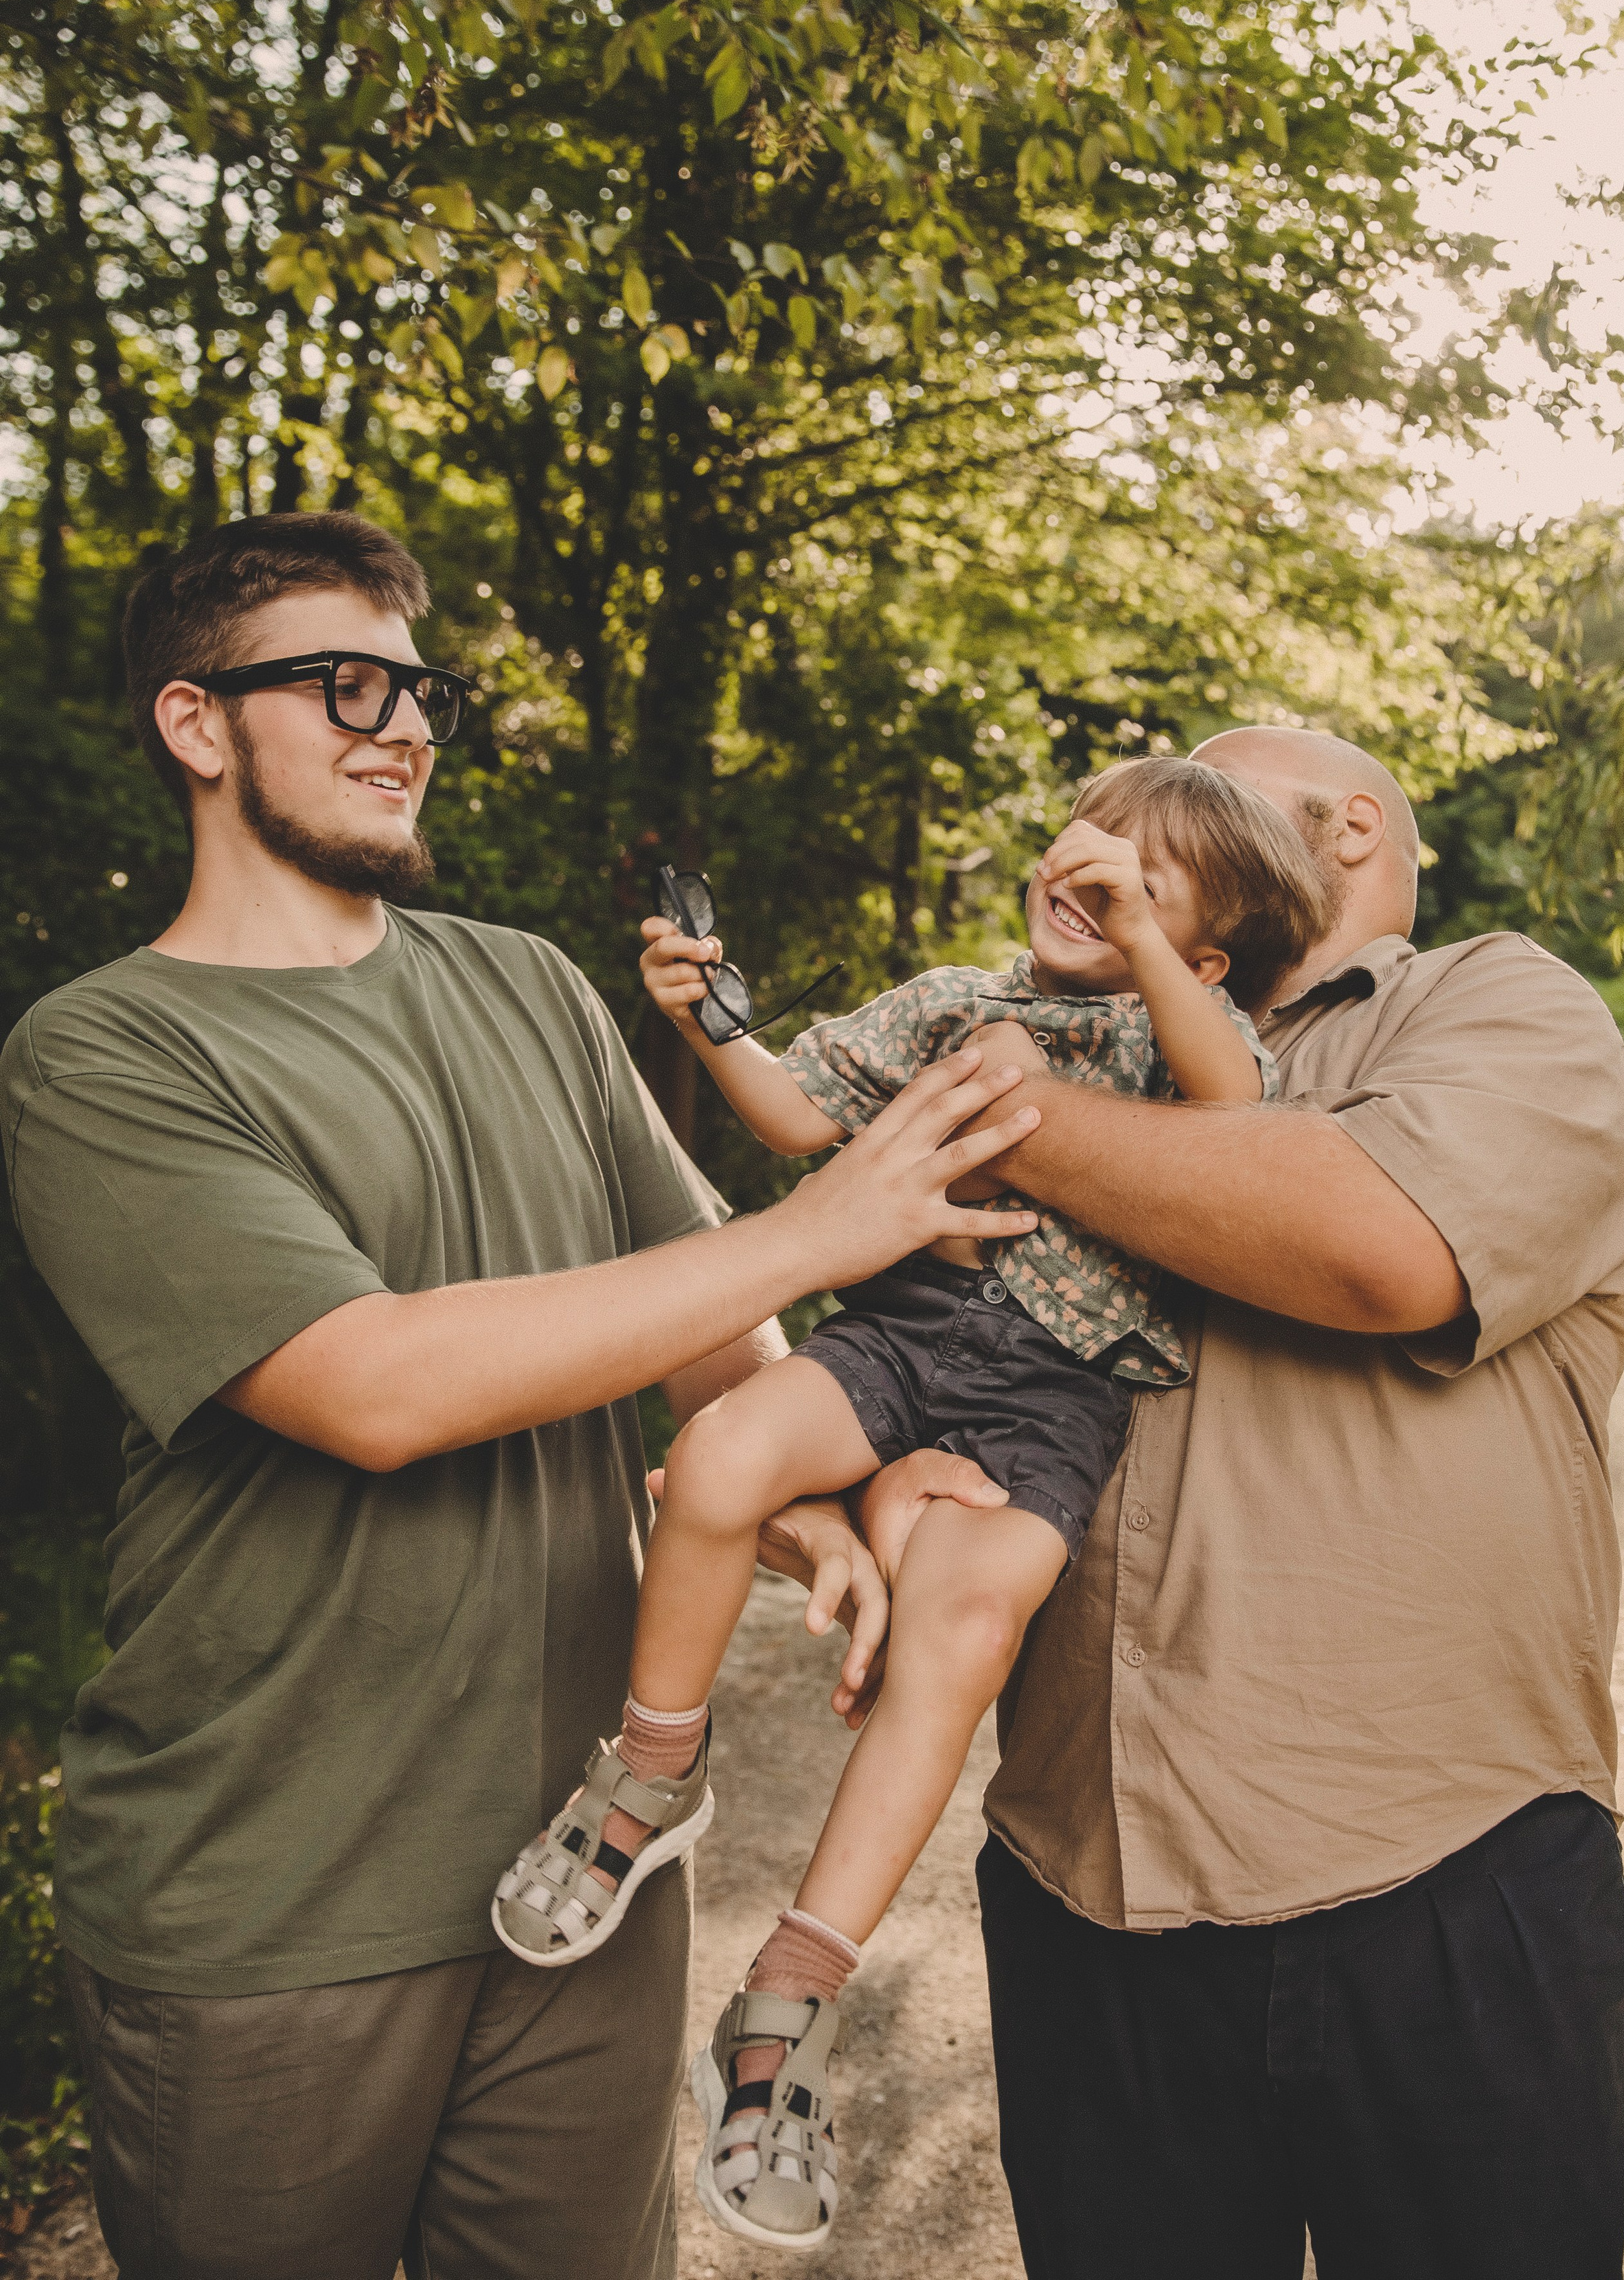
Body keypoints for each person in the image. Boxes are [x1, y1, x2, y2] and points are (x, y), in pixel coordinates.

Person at [0, 511, 1042, 2280]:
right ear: (196, 724)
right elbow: (372, 1388)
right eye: (344, 686)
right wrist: (824, 1226)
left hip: (586, 1882)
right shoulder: (106, 1051)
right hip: (270, 1904)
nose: (404, 726)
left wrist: (814, 1503)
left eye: (420, 693)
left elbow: (711, 1331)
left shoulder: (531, 987)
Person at [490, 755, 1331, 2252]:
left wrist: (1144, 948)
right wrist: (709, 1015)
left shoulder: (1178, 1037)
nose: (1097, 875)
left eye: (1148, 882)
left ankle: (791, 1994)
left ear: (1201, 956)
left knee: (968, 1624)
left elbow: (1238, 1107)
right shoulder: (950, 1003)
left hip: (1058, 1392)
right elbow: (791, 1115)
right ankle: (652, 1773)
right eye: (1090, 843)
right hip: (899, 1335)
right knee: (724, 1456)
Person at [864, 724, 1624, 2280]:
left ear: (1346, 829)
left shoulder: (1497, 1006)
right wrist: (879, 1474)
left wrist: (986, 1097)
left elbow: (1378, 1249)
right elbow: (877, 1319)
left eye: (1207, 807)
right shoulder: (1075, 1032)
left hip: (1447, 1886)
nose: (1136, 848)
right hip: (1082, 1888)